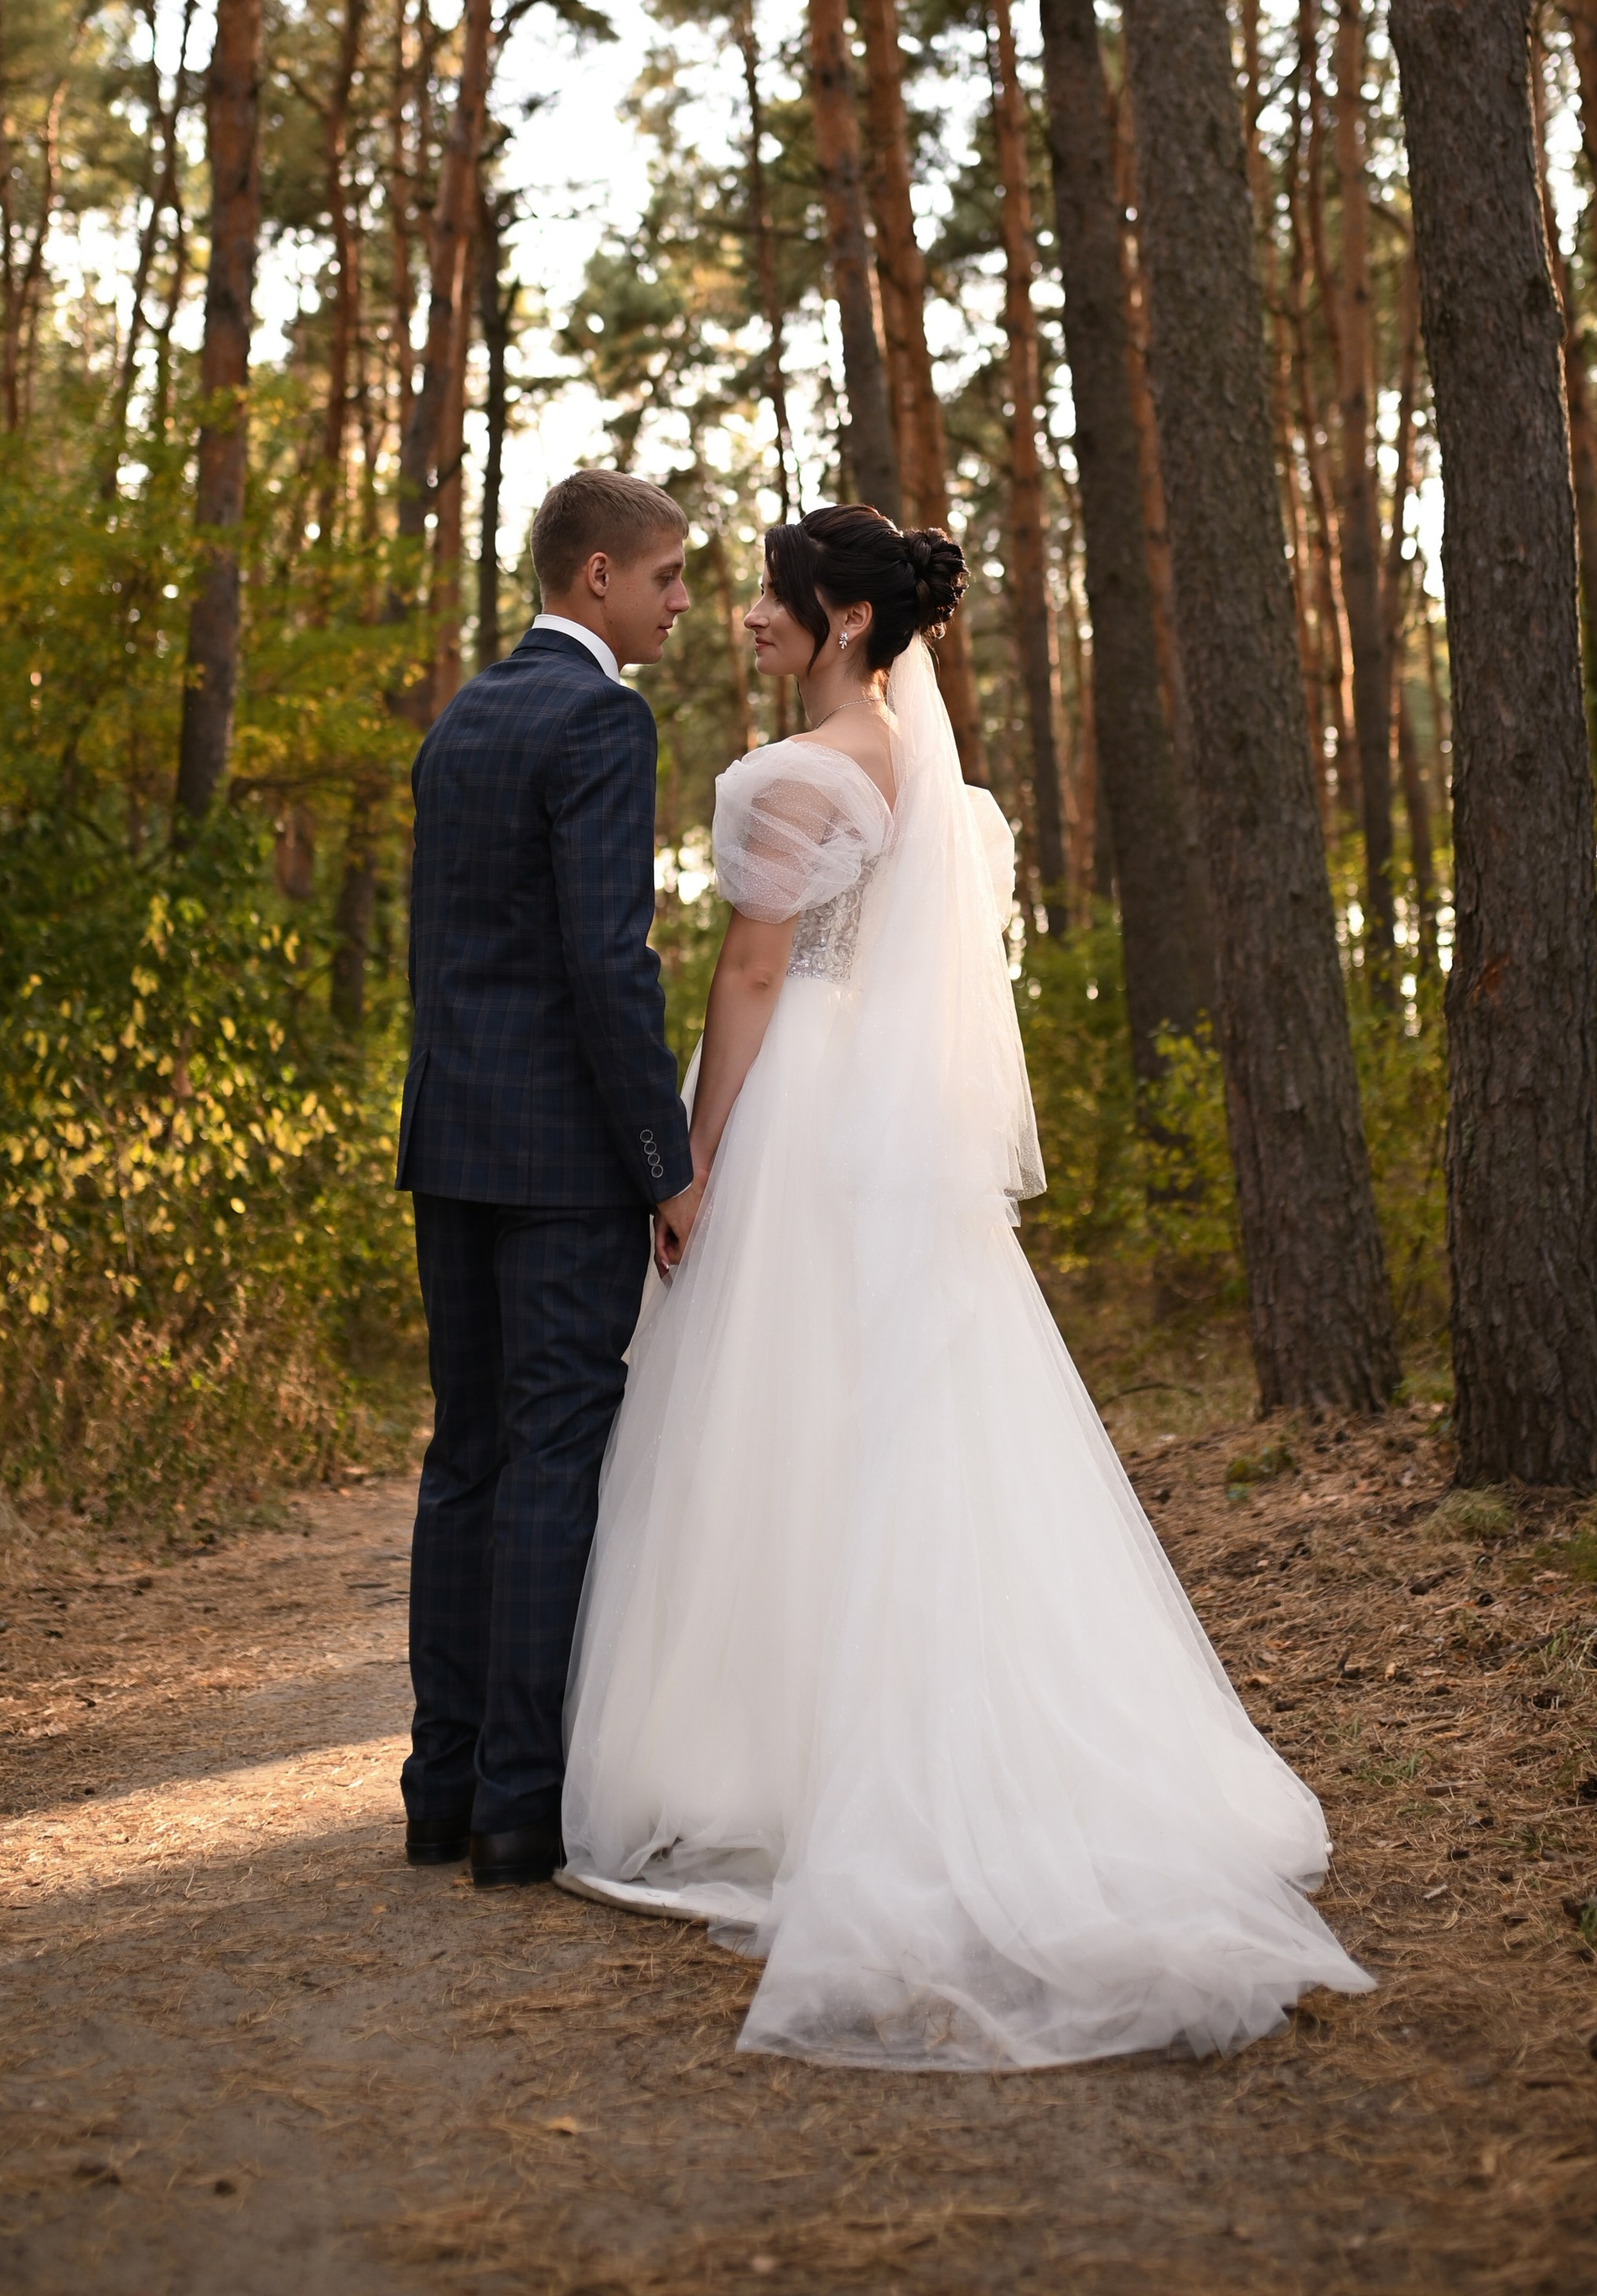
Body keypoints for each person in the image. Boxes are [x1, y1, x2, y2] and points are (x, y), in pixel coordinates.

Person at [559, 502, 1373, 2068]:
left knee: (773, 1419)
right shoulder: (922, 778)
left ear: (844, 623)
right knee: (888, 1418)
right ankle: (855, 1749)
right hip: (887, 1117)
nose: (743, 620)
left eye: (773, 602)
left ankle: (783, 1762)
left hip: (801, 1102)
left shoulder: (806, 770)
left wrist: (692, 1153)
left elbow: (746, 971)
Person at [397, 468, 699, 1891]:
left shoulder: (460, 717)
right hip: (566, 1162)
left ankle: (440, 1790)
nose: (681, 602)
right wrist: (666, 1161)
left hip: (451, 1142)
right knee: (551, 1461)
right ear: (597, 580)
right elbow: (604, 961)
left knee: (465, 1458)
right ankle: (523, 1803)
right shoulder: (600, 716)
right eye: (666, 578)